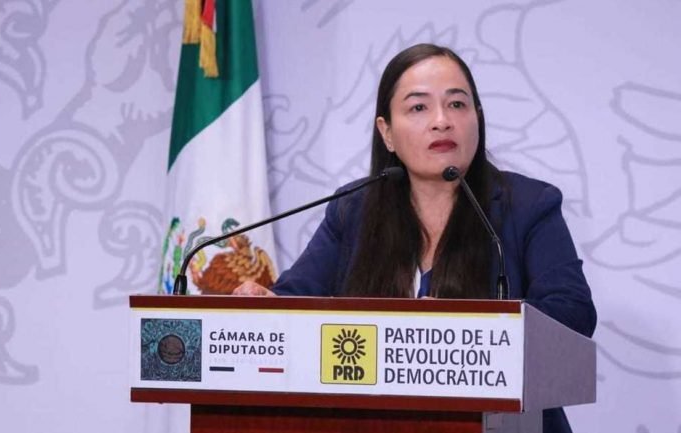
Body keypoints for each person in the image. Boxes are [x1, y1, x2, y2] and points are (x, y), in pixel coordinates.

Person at [234, 43, 596, 433]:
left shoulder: (528, 205)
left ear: (478, 118)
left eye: (457, 104)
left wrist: (476, 328)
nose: (442, 121)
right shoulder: (353, 210)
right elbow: (295, 301)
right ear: (386, 132)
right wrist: (264, 304)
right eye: (419, 107)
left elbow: (572, 314)